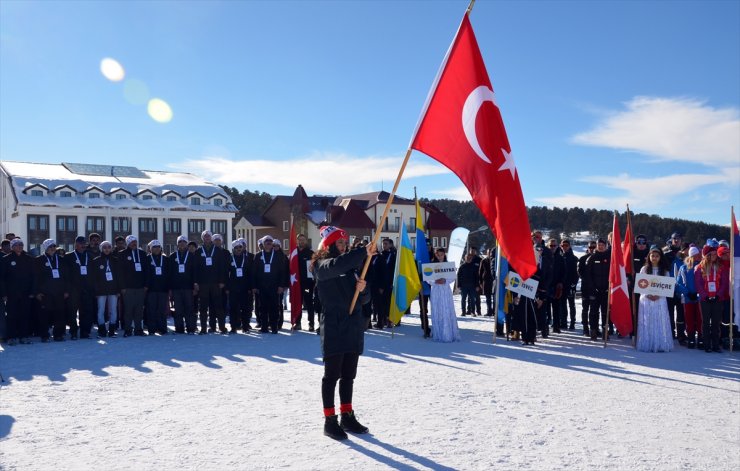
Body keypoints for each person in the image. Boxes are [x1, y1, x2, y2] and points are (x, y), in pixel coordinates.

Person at [312, 225, 376, 441]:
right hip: (333, 326)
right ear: (328, 245)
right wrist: (361, 252)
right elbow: (336, 266)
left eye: (344, 243)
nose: (343, 246)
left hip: (352, 325)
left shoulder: (351, 269)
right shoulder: (321, 266)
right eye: (339, 243)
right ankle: (330, 420)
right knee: (332, 376)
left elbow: (364, 299)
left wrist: (363, 289)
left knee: (349, 375)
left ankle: (347, 415)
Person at [636, 247, 674, 352]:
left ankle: (660, 343)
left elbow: (667, 287)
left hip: (660, 300)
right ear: (649, 256)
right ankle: (647, 343)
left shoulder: (664, 271)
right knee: (647, 321)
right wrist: (648, 295)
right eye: (653, 256)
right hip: (646, 300)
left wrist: (659, 295)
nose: (654, 258)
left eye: (657, 256)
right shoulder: (644, 269)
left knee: (659, 320)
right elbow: (640, 285)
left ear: (660, 257)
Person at [33, 239, 70, 342]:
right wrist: (37, 292)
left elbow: (66, 277)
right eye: (50, 247)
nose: (52, 248)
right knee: (44, 314)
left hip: (59, 292)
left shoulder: (61, 259)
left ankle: (58, 334)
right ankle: (44, 335)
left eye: (54, 246)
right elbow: (35, 278)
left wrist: (66, 290)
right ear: (45, 248)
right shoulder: (39, 260)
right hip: (45, 292)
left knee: (59, 313)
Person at [1, 238, 35, 345]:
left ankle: (24, 336)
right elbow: (2, 278)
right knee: (11, 316)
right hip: (11, 293)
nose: (20, 246)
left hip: (26, 292)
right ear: (12, 247)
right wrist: (4, 294)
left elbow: (33, 277)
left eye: (21, 244)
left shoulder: (28, 259)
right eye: (17, 245)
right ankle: (11, 337)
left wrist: (32, 291)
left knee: (24, 315)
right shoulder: (6, 259)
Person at [252, 235, 288, 334]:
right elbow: (254, 272)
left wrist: (281, 285)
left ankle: (274, 327)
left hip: (274, 286)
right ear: (263, 244)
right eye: (266, 241)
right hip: (261, 286)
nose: (268, 243)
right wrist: (254, 286)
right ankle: (264, 326)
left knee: (274, 307)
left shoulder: (278, 256)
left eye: (270, 241)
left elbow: (282, 272)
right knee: (262, 307)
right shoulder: (258, 256)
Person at [695, 245, 727, 353]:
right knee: (705, 323)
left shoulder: (720, 267)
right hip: (705, 299)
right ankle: (706, 345)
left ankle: (716, 345)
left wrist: (719, 294)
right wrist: (705, 295)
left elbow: (724, 283)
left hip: (717, 299)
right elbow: (698, 284)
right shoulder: (700, 267)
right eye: (712, 254)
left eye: (715, 254)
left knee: (716, 322)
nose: (714, 256)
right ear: (707, 255)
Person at [196, 230, 227, 334]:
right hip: (203, 283)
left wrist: (222, 281)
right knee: (203, 307)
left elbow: (222, 267)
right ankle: (203, 328)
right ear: (202, 238)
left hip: (215, 283)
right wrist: (196, 282)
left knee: (218, 306)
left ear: (211, 238)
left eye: (208, 236)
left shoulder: (218, 250)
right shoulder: (199, 251)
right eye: (205, 236)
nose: (207, 238)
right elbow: (196, 269)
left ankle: (222, 327)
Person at [92, 241, 122, 338]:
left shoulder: (116, 260)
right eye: (104, 247)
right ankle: (102, 331)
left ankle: (112, 330)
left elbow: (119, 276)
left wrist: (118, 290)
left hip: (113, 289)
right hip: (101, 290)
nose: (107, 249)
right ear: (101, 248)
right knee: (101, 310)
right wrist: (96, 290)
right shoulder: (96, 260)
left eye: (109, 247)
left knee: (113, 310)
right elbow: (94, 278)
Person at [429, 248, 460, 342]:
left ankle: (448, 333)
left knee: (446, 310)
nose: (440, 256)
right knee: (437, 310)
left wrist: (445, 280)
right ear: (435, 255)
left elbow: (452, 277)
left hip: (445, 290)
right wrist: (434, 281)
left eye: (441, 254)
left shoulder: (448, 265)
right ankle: (438, 333)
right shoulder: (431, 265)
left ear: (444, 255)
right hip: (435, 290)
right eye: (438, 254)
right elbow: (427, 278)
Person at [119, 235, 148, 337]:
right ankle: (127, 330)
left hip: (140, 287)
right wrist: (122, 287)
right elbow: (120, 273)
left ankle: (138, 329)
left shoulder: (142, 254)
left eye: (135, 241)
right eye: (131, 242)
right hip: (128, 288)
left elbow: (146, 271)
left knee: (139, 310)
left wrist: (146, 285)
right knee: (128, 310)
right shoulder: (122, 254)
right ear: (127, 243)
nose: (134, 244)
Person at [170, 236, 198, 334]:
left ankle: (190, 328)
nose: (182, 243)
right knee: (178, 309)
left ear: (187, 244)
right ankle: (179, 328)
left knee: (189, 308)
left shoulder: (191, 256)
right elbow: (170, 273)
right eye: (180, 242)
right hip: (176, 288)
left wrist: (195, 285)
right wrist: (170, 288)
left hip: (188, 287)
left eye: (184, 242)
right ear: (177, 244)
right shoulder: (173, 256)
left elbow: (195, 271)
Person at [584, 239, 610, 341]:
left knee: (605, 312)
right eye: (599, 245)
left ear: (606, 246)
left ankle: (605, 332)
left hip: (606, 290)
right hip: (594, 290)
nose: (601, 246)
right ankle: (593, 331)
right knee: (594, 312)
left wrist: (609, 287)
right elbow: (587, 275)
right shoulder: (591, 258)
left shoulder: (609, 257)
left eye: (603, 245)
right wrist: (592, 287)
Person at [226, 239, 254, 333]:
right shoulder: (229, 259)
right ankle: (233, 327)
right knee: (233, 309)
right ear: (233, 249)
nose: (238, 249)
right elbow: (226, 274)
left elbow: (251, 274)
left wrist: (250, 287)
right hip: (233, 288)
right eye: (236, 248)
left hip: (245, 288)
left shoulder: (247, 259)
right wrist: (227, 287)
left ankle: (245, 327)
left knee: (245, 309)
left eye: (240, 247)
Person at [676, 246, 702, 349]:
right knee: (689, 318)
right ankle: (691, 337)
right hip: (687, 298)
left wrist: (699, 293)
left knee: (700, 318)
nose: (697, 257)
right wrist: (687, 293)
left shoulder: (701, 266)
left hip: (699, 297)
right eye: (695, 255)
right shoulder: (684, 267)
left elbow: (703, 282)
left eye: (698, 255)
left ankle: (700, 337)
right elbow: (679, 283)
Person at [144, 240, 171, 336]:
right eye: (154, 247)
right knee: (151, 309)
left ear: (161, 248)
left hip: (163, 289)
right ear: (150, 249)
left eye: (158, 247)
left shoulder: (166, 259)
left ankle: (162, 328)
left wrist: (169, 287)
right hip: (151, 289)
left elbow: (169, 275)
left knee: (162, 310)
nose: (156, 249)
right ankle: (151, 329)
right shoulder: (146, 259)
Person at [296, 233, 316, 331]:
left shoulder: (310, 253)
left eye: (303, 240)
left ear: (306, 241)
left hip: (307, 284)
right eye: (300, 240)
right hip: (296, 284)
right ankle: (297, 323)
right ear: (297, 241)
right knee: (297, 303)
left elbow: (314, 269)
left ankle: (311, 323)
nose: (301, 241)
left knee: (308, 303)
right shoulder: (294, 253)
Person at [577, 241, 596, 336]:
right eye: (591, 247)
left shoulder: (598, 257)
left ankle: (594, 328)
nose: (592, 249)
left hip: (596, 288)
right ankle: (585, 328)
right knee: (585, 309)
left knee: (594, 310)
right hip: (585, 288)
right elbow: (580, 272)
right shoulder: (583, 258)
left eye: (594, 247)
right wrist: (588, 280)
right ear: (588, 248)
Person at [560, 239, 579, 330]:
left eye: (566, 245)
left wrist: (573, 285)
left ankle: (572, 323)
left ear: (569, 246)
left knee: (571, 305)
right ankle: (563, 322)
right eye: (563, 245)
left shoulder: (574, 258)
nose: (565, 247)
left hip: (570, 285)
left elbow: (577, 274)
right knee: (562, 305)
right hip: (562, 285)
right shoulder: (560, 257)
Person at [479, 248, 495, 317]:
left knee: (494, 297)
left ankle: (494, 311)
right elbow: (480, 271)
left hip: (493, 281)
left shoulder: (495, 260)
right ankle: (489, 311)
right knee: (487, 297)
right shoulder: (483, 261)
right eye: (488, 253)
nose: (490, 254)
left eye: (491, 253)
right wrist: (480, 282)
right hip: (486, 281)